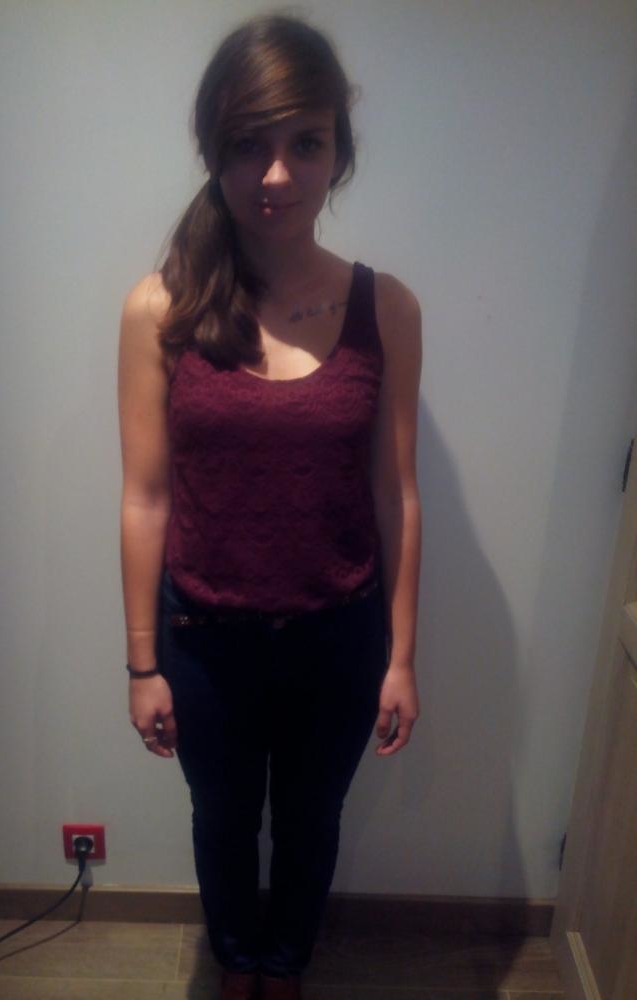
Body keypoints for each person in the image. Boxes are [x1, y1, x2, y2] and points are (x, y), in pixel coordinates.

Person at [117, 12, 421, 1000]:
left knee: (310, 822)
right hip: (205, 640)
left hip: (339, 635)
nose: (278, 174)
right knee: (220, 820)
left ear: (340, 152)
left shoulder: (385, 307)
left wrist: (401, 656)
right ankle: (236, 962)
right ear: (214, 148)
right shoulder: (160, 309)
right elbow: (146, 497)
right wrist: (142, 664)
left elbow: (396, 492)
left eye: (306, 143)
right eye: (250, 143)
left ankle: (282, 969)